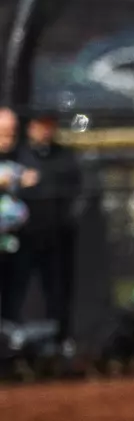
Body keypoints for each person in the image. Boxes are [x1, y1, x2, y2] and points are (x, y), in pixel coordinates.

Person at [17, 108, 83, 348]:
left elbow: (77, 190)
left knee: (57, 290)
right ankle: (12, 339)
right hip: (22, 236)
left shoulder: (65, 157)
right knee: (16, 289)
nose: (46, 130)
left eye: (50, 125)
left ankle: (59, 341)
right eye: (41, 125)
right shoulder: (19, 155)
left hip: (56, 235)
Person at [0, 107, 40, 323]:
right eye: (3, 133)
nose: (8, 139)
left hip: (17, 241)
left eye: (11, 133)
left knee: (13, 298)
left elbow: (35, 177)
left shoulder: (22, 155)